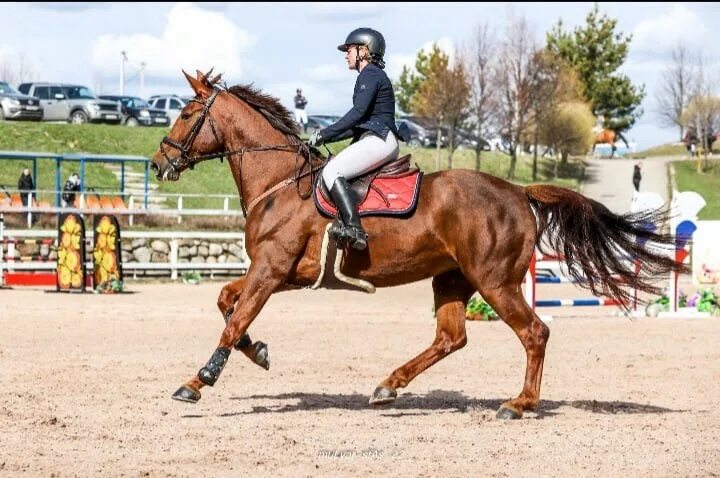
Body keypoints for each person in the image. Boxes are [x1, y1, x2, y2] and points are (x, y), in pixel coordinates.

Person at [308, 27, 401, 251]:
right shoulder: (370, 76)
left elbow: (357, 114)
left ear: (364, 50)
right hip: (376, 138)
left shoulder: (370, 74)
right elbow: (357, 125)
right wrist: (323, 138)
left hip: (379, 139)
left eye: (349, 49)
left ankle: (354, 228)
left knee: (331, 171)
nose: (345, 54)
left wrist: (325, 133)